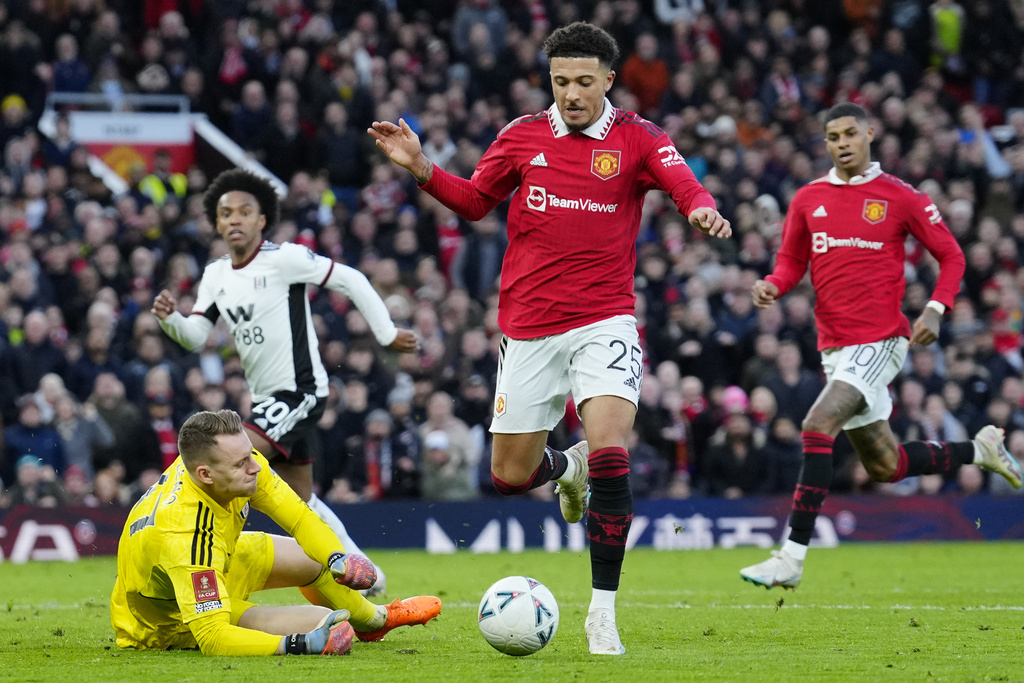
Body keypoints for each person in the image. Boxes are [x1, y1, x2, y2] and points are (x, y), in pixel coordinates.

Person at [369, 21, 730, 654]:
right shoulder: (521, 136)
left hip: (606, 319)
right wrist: (423, 168)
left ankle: (603, 613)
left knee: (613, 451)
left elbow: (682, 182)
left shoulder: (639, 138)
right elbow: (478, 201)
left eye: (584, 82)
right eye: (561, 81)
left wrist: (698, 207)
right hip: (529, 328)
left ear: (608, 80)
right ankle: (568, 468)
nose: (571, 93)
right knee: (509, 476)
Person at [739, 103, 1022, 591]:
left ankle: (791, 557)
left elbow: (951, 256)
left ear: (869, 133)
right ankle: (979, 449)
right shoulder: (808, 199)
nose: (843, 143)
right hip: (835, 350)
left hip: (880, 342)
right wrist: (772, 285)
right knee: (886, 465)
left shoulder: (901, 196)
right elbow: (790, 262)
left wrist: (935, 307)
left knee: (816, 425)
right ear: (825, 143)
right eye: (833, 136)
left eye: (851, 133)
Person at [151, 169, 418, 596]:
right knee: (302, 501)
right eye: (226, 214)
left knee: (230, 454)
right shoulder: (217, 275)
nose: (234, 219)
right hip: (268, 399)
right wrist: (172, 321)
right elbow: (197, 335)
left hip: (302, 391)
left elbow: (352, 279)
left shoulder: (284, 259)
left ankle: (187, 552)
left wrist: (386, 333)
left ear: (261, 220)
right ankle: (367, 575)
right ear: (217, 224)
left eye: (245, 211)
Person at [110, 409, 441, 655]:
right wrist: (296, 645)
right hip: (172, 611)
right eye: (241, 464)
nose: (255, 466)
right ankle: (310, 634)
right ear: (205, 474)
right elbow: (212, 637)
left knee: (314, 561)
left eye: (248, 454)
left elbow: (299, 517)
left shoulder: (234, 463)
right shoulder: (185, 532)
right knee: (329, 623)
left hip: (219, 555)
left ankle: (375, 621)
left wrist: (337, 558)